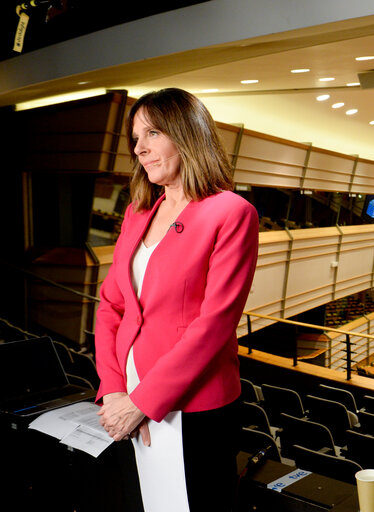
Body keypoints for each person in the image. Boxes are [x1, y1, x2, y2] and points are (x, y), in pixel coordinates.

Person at [95, 88, 259, 512]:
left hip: (193, 409)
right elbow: (111, 305)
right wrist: (114, 390)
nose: (140, 148)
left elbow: (214, 325)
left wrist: (143, 402)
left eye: (152, 133)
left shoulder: (232, 212)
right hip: (127, 399)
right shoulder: (138, 212)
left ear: (186, 134)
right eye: (135, 138)